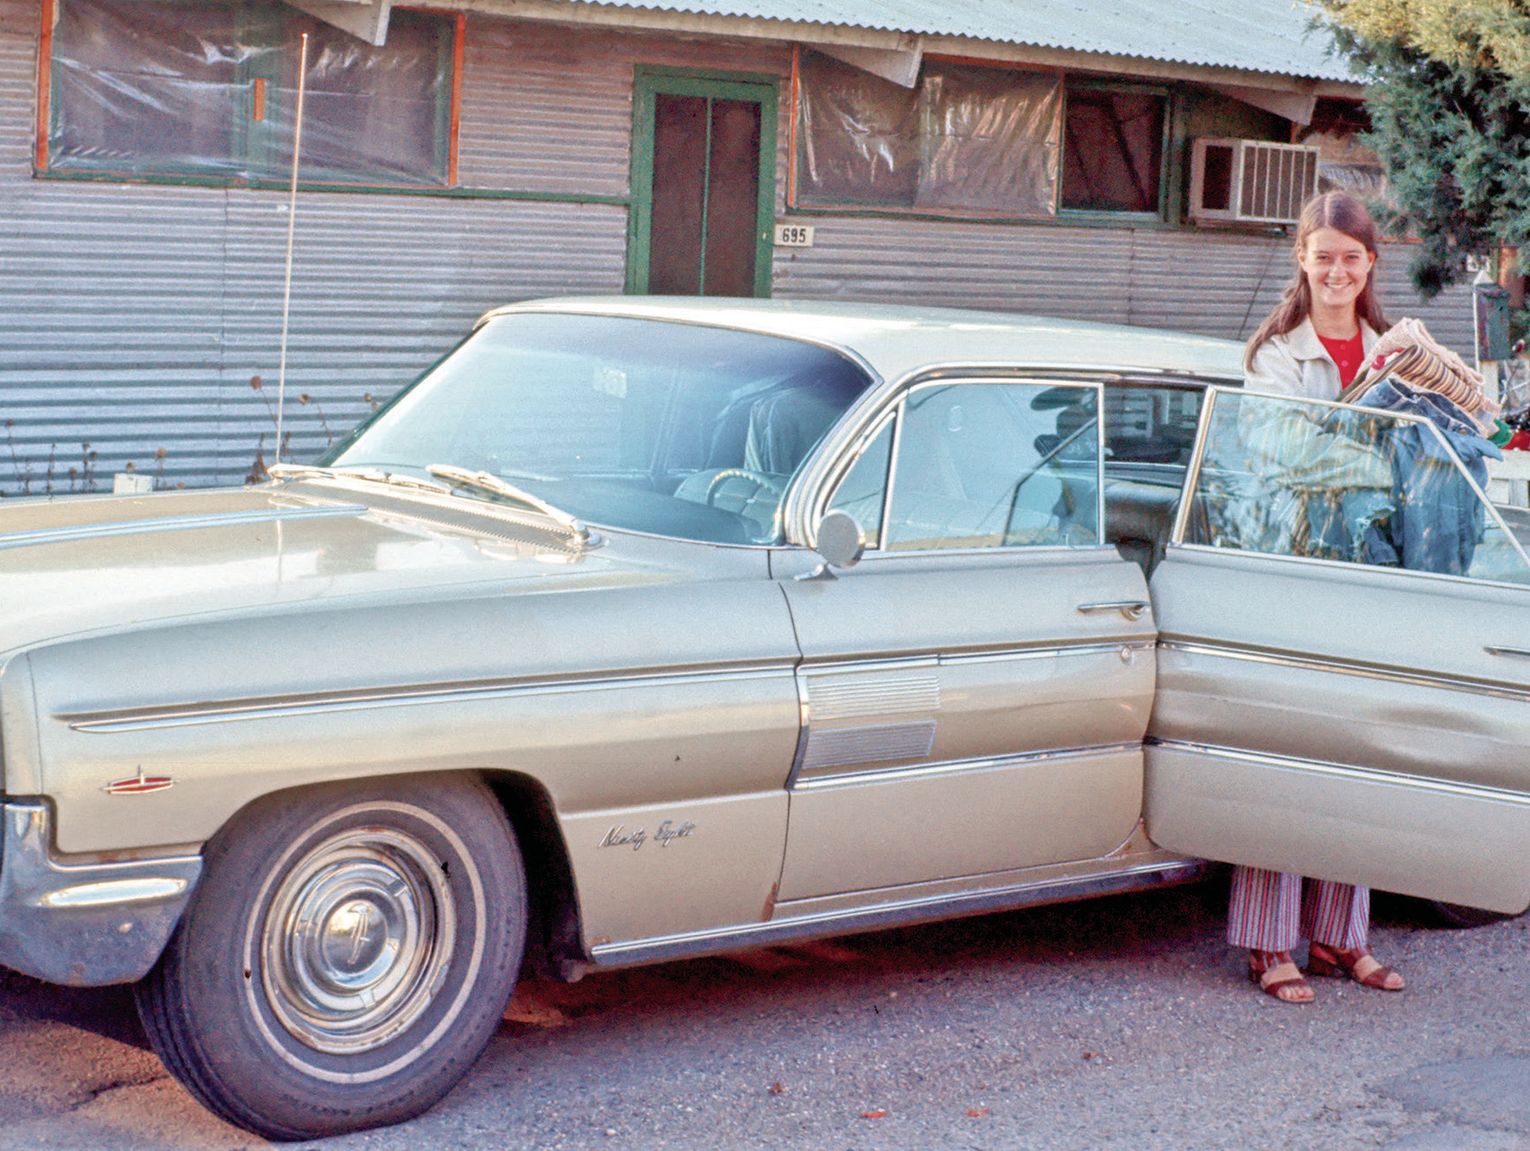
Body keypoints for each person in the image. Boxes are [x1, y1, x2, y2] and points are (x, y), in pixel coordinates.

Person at [1234, 190, 1406, 1004]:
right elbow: (1282, 454)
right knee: (1291, 745)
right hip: (1293, 569)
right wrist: (1376, 461)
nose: (1337, 271)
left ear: (1371, 262)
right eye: (1322, 255)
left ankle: (1343, 935)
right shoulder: (1274, 353)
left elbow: (1437, 450)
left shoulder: (1395, 350)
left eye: (1352, 256)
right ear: (1301, 258)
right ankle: (1269, 941)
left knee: (1361, 750)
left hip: (1375, 575)